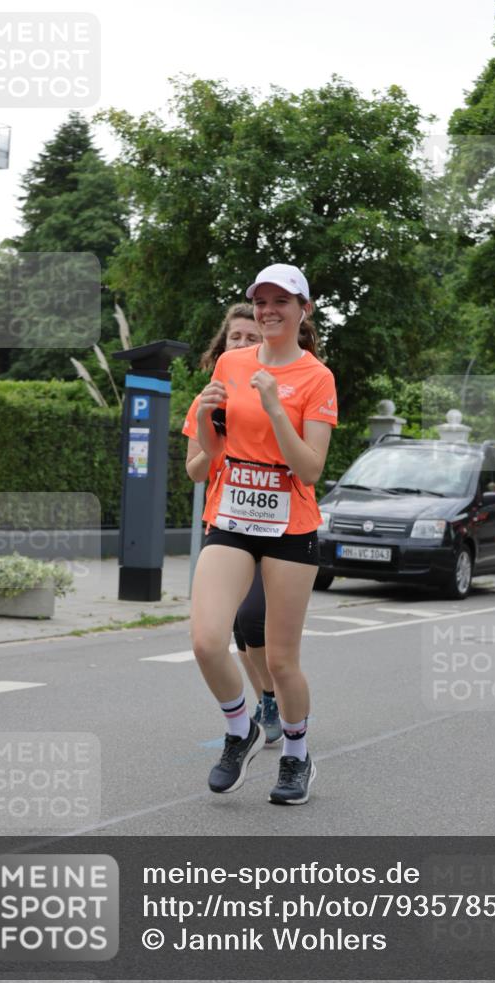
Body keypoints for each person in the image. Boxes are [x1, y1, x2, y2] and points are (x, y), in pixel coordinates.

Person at [190, 263, 337, 805]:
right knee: (207, 641)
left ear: (304, 309)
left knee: (279, 660)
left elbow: (311, 469)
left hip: (289, 526)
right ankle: (240, 730)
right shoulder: (231, 362)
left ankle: (297, 756)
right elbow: (213, 454)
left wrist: (277, 405)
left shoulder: (317, 377)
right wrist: (205, 420)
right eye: (262, 300)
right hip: (231, 516)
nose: (269, 310)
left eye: (282, 301)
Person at [183, 304, 281, 744]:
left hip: (275, 525)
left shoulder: (280, 390)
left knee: (255, 618)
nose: (242, 344)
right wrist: (214, 438)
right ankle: (262, 699)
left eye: (251, 337)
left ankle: (273, 695)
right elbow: (195, 471)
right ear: (223, 346)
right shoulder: (207, 400)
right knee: (237, 628)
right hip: (225, 522)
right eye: (235, 338)